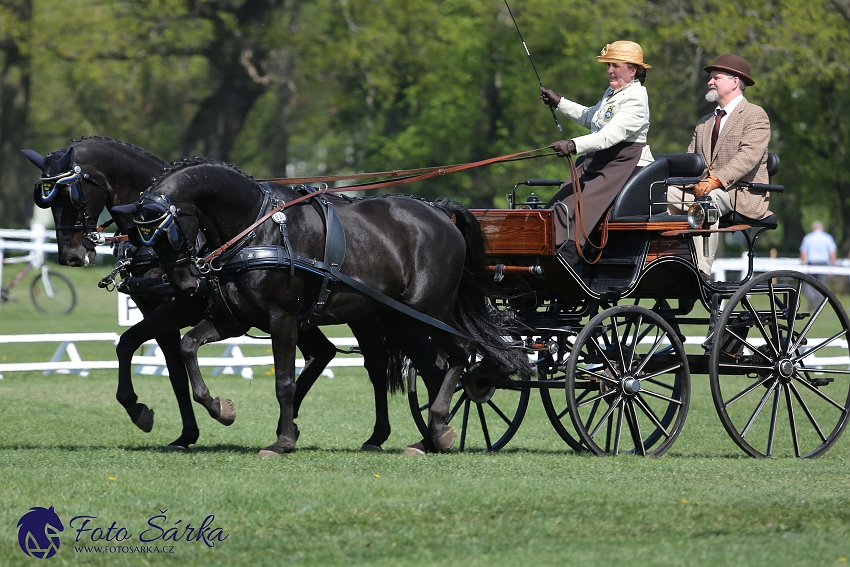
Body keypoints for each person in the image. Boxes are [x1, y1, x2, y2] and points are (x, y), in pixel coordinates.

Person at [540, 40, 653, 267]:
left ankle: (568, 259)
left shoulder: (636, 99)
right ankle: (546, 253)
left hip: (624, 164)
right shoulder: (613, 92)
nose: (610, 70)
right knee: (559, 205)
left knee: (582, 209)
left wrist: (572, 145)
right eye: (608, 65)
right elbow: (590, 117)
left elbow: (608, 137)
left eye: (616, 65)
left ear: (633, 70)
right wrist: (559, 102)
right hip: (600, 160)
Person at [668, 54, 772, 276]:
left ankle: (700, 272)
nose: (709, 82)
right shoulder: (705, 122)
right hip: (701, 189)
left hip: (741, 192)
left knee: (708, 201)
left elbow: (748, 156)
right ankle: (668, 261)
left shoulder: (755, 115)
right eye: (710, 78)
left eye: (716, 77)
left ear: (735, 82)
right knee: (659, 196)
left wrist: (715, 180)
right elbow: (690, 160)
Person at [800, 220, 837, 307]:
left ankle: (811, 297)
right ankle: (817, 305)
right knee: (821, 285)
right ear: (822, 228)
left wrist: (802, 265)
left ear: (813, 228)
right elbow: (832, 253)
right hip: (823, 264)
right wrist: (832, 266)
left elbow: (803, 253)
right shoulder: (828, 238)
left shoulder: (808, 238)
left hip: (811, 264)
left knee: (807, 283)